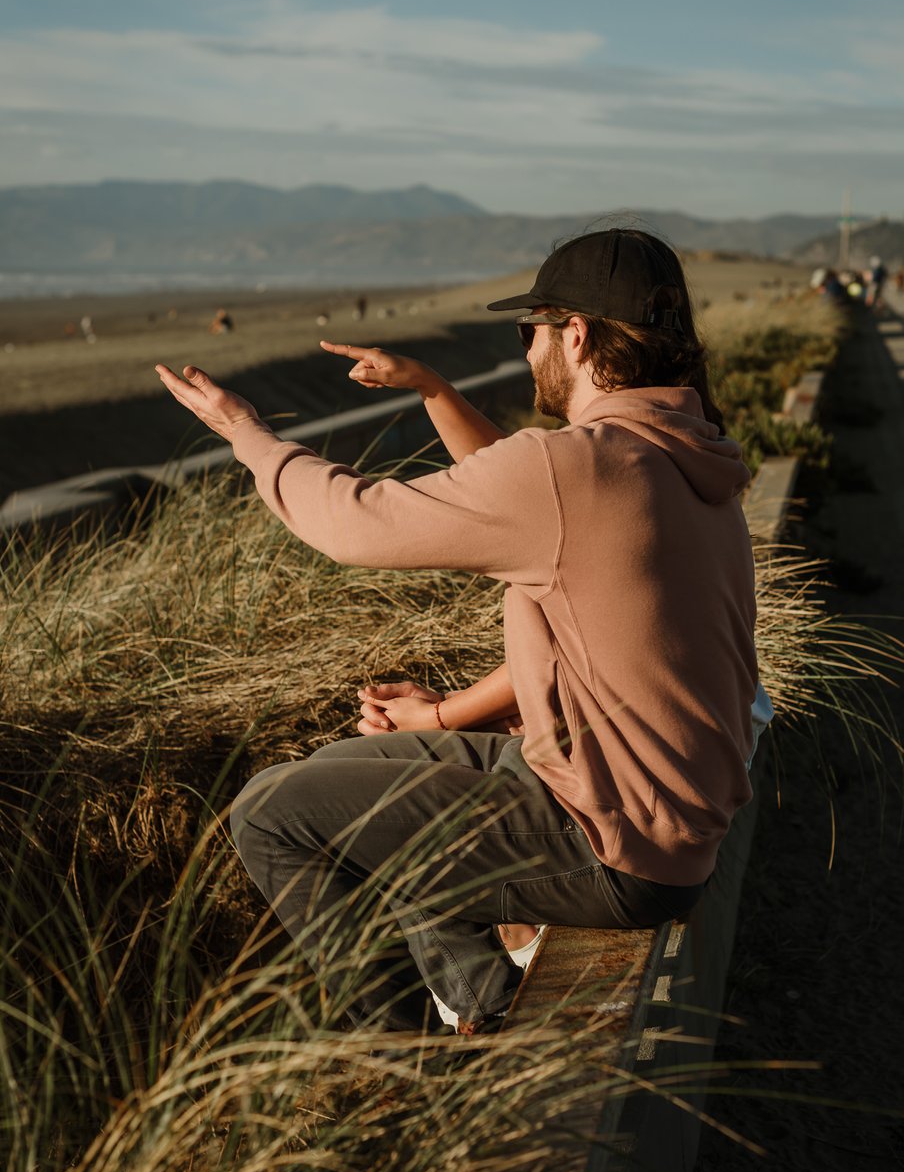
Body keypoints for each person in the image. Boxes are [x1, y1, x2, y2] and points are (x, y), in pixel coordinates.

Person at [155, 229, 759, 1036]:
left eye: (531, 330)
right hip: (655, 814)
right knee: (348, 777)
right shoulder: (682, 458)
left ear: (575, 335)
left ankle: (399, 1072)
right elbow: (533, 503)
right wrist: (436, 390)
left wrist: (245, 433)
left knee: (272, 816)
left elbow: (355, 525)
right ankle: (485, 1008)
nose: (528, 349)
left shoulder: (578, 467)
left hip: (615, 842)